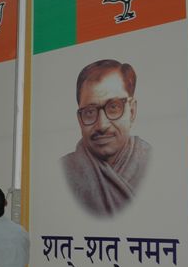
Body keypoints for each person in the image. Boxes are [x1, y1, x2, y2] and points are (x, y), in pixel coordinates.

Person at [61, 59, 151, 217]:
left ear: (132, 111)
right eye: (89, 112)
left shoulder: (151, 161)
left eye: (114, 107)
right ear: (79, 120)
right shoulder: (64, 170)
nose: (102, 125)